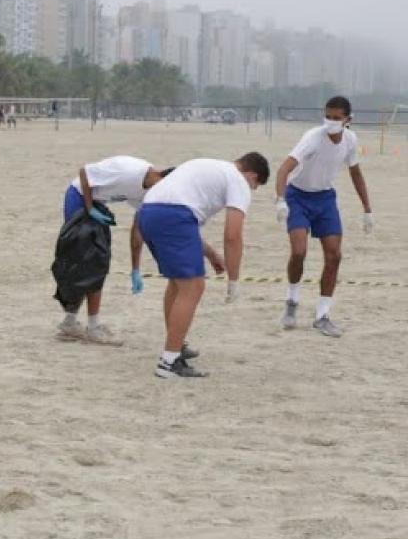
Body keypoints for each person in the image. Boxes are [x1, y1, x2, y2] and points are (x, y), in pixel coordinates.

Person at [137, 153, 270, 378]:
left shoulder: (207, 165)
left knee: (178, 284)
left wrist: (210, 255)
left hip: (147, 212)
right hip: (174, 216)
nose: (250, 190)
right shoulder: (238, 181)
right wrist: (234, 280)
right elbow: (232, 236)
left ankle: (176, 344)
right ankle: (169, 362)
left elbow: (178, 210)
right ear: (252, 175)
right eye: (254, 186)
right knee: (193, 287)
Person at [274, 96, 373, 337]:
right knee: (299, 252)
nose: (330, 122)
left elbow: (356, 174)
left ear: (348, 120)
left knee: (334, 255)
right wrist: (280, 200)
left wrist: (367, 209)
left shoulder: (350, 140)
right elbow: (284, 168)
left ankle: (322, 315)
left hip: (325, 199)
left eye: (336, 118)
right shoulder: (312, 138)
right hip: (298, 196)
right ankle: (292, 299)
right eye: (327, 116)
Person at [58, 156, 172, 345]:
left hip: (97, 202)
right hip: (79, 198)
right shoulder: (129, 172)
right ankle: (92, 328)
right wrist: (89, 208)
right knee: (92, 264)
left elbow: (137, 231)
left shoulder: (151, 192)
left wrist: (135, 269)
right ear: (161, 177)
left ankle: (69, 322)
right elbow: (84, 172)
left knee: (91, 263)